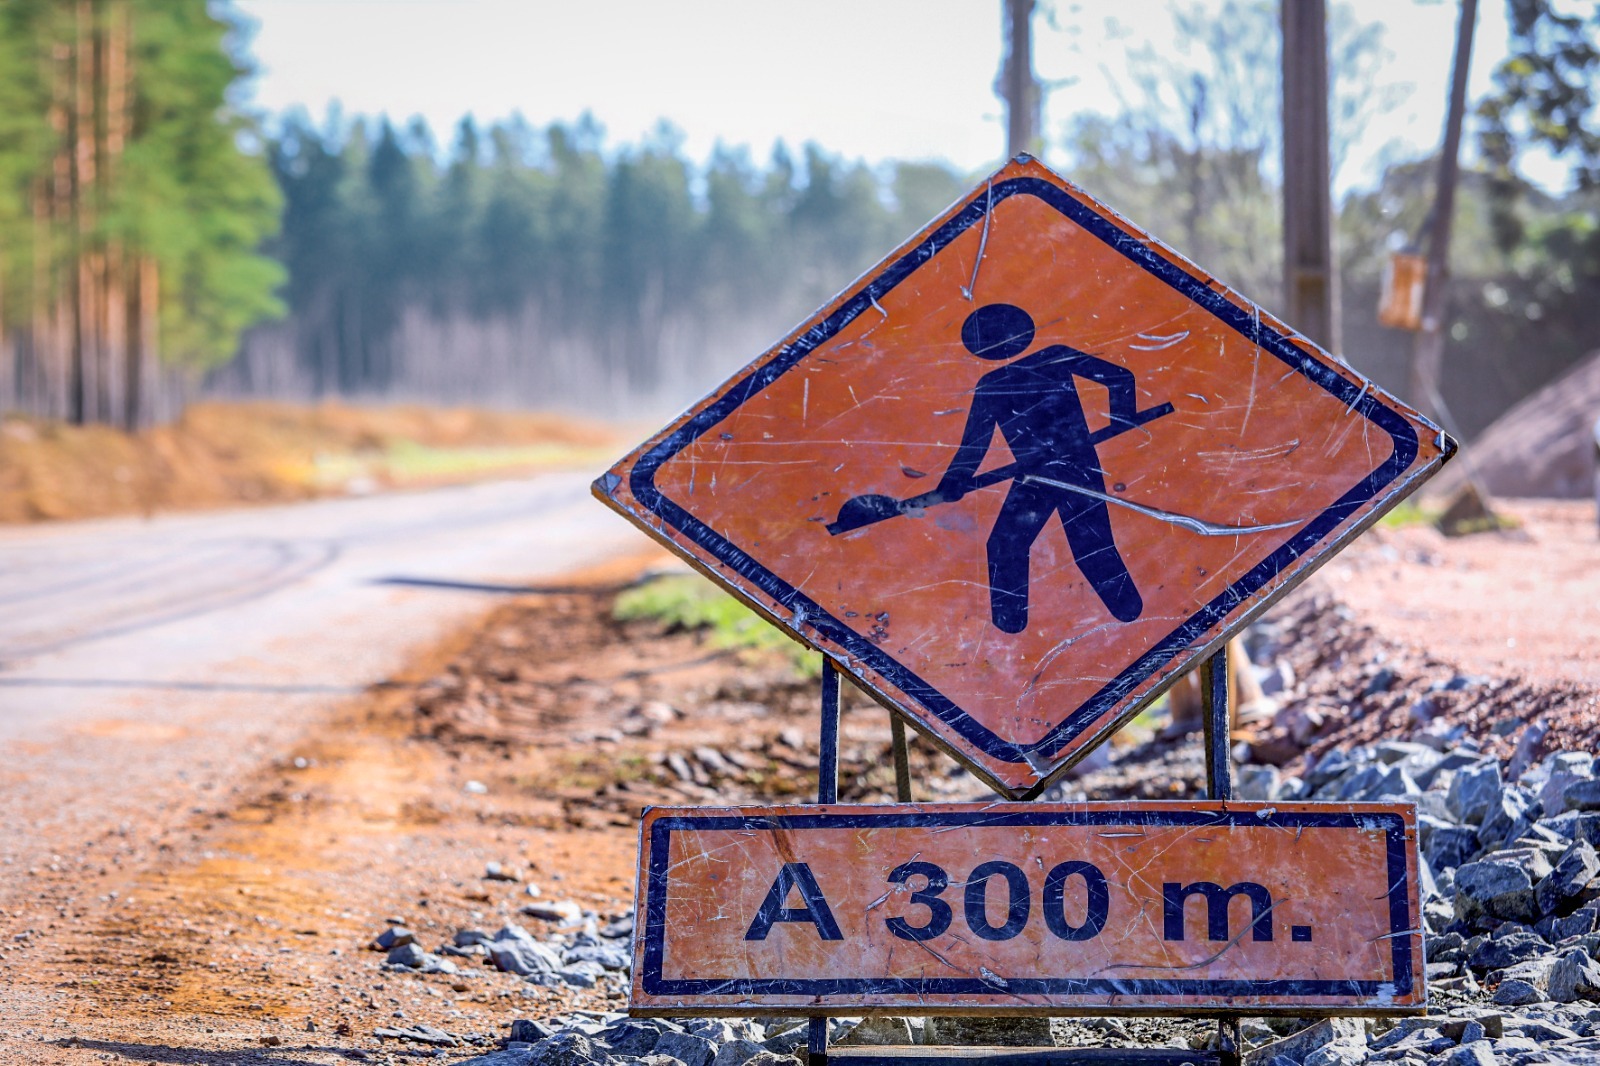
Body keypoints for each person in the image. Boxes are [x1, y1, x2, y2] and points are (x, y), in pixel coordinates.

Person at [933, 303, 1161, 633]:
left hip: (1074, 468)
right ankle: (1009, 635)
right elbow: (974, 445)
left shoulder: (1048, 359)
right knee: (1009, 545)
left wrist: (1122, 421)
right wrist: (953, 481)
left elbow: (1120, 378)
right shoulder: (995, 383)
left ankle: (1136, 623)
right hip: (1038, 476)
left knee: (1088, 545)